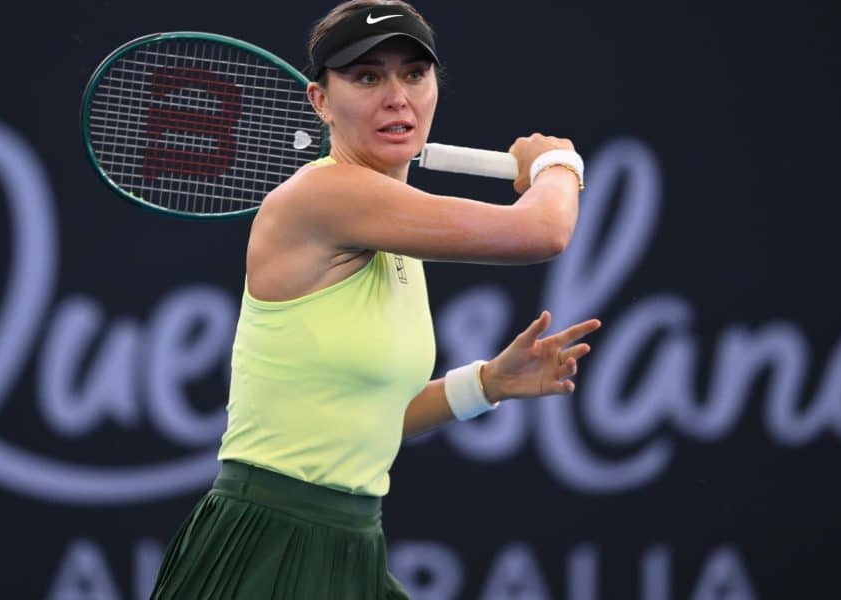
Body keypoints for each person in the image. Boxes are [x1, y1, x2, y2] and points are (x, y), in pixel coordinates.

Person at [150, 1, 600, 597]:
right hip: (266, 545)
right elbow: (542, 232)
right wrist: (556, 162)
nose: (397, 97)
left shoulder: (396, 232)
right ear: (320, 101)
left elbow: (375, 419)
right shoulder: (324, 196)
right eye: (367, 77)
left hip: (352, 542)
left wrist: (487, 383)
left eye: (414, 74)